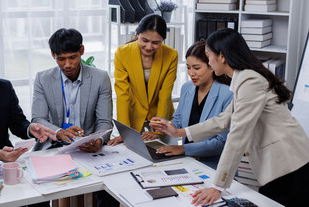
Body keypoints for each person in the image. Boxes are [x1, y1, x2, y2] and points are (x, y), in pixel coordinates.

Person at [151, 28, 309, 207]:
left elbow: (237, 135)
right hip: (280, 163)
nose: (209, 60)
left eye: (209, 55)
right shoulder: (243, 79)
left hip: (289, 163)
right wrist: (180, 132)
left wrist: (218, 186)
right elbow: (223, 120)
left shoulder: (250, 82)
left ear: (222, 57)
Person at [31, 28, 118, 207]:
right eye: (61, 59)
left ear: (82, 51)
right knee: (36, 194)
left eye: (73, 57)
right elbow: (38, 119)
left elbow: (104, 121)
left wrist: (99, 140)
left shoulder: (100, 78)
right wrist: (60, 132)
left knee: (111, 191)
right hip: (54, 147)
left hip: (89, 148)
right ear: (52, 55)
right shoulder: (42, 78)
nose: (68, 64)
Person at [154, 41, 232, 170]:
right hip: (187, 162)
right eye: (188, 67)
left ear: (211, 66)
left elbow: (221, 142)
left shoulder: (228, 94)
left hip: (215, 167)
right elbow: (178, 121)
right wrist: (164, 126)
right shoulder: (187, 88)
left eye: (196, 68)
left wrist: (183, 149)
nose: (191, 73)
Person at [108, 14, 178, 146]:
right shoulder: (122, 53)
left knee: (166, 157)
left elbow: (165, 94)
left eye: (156, 42)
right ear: (137, 34)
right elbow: (122, 94)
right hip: (134, 116)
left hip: (161, 117)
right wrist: (125, 132)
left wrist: (159, 130)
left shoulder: (171, 55)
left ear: (163, 40)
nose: (149, 47)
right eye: (144, 40)